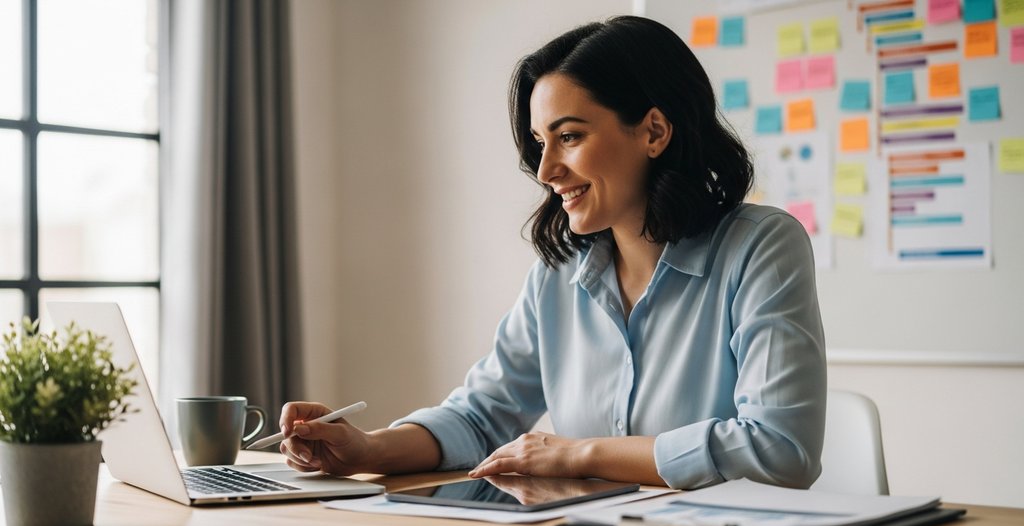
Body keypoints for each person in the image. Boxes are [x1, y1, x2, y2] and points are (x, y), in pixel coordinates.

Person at [279, 15, 826, 490]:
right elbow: (479, 416)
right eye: (541, 143)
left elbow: (779, 451)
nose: (546, 172)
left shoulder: (760, 247)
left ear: (653, 131)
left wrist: (576, 452)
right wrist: (368, 449)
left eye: (569, 137)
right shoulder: (558, 273)